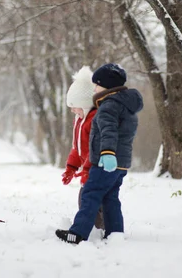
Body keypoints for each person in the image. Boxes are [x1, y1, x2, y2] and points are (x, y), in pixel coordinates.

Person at [56, 63, 143, 244]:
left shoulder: (108, 106)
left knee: (91, 193)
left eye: (97, 85)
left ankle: (78, 233)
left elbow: (108, 131)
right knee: (110, 198)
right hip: (121, 162)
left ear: (107, 85)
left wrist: (107, 153)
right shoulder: (126, 106)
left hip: (106, 161)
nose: (94, 88)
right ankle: (114, 233)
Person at [61, 66, 103, 231]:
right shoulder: (80, 120)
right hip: (88, 168)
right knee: (87, 198)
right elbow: (77, 148)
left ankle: (98, 229)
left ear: (85, 104)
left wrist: (87, 169)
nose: (72, 110)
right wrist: (71, 167)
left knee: (90, 199)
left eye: (75, 106)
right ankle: (95, 228)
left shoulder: (93, 121)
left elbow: (94, 149)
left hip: (96, 167)